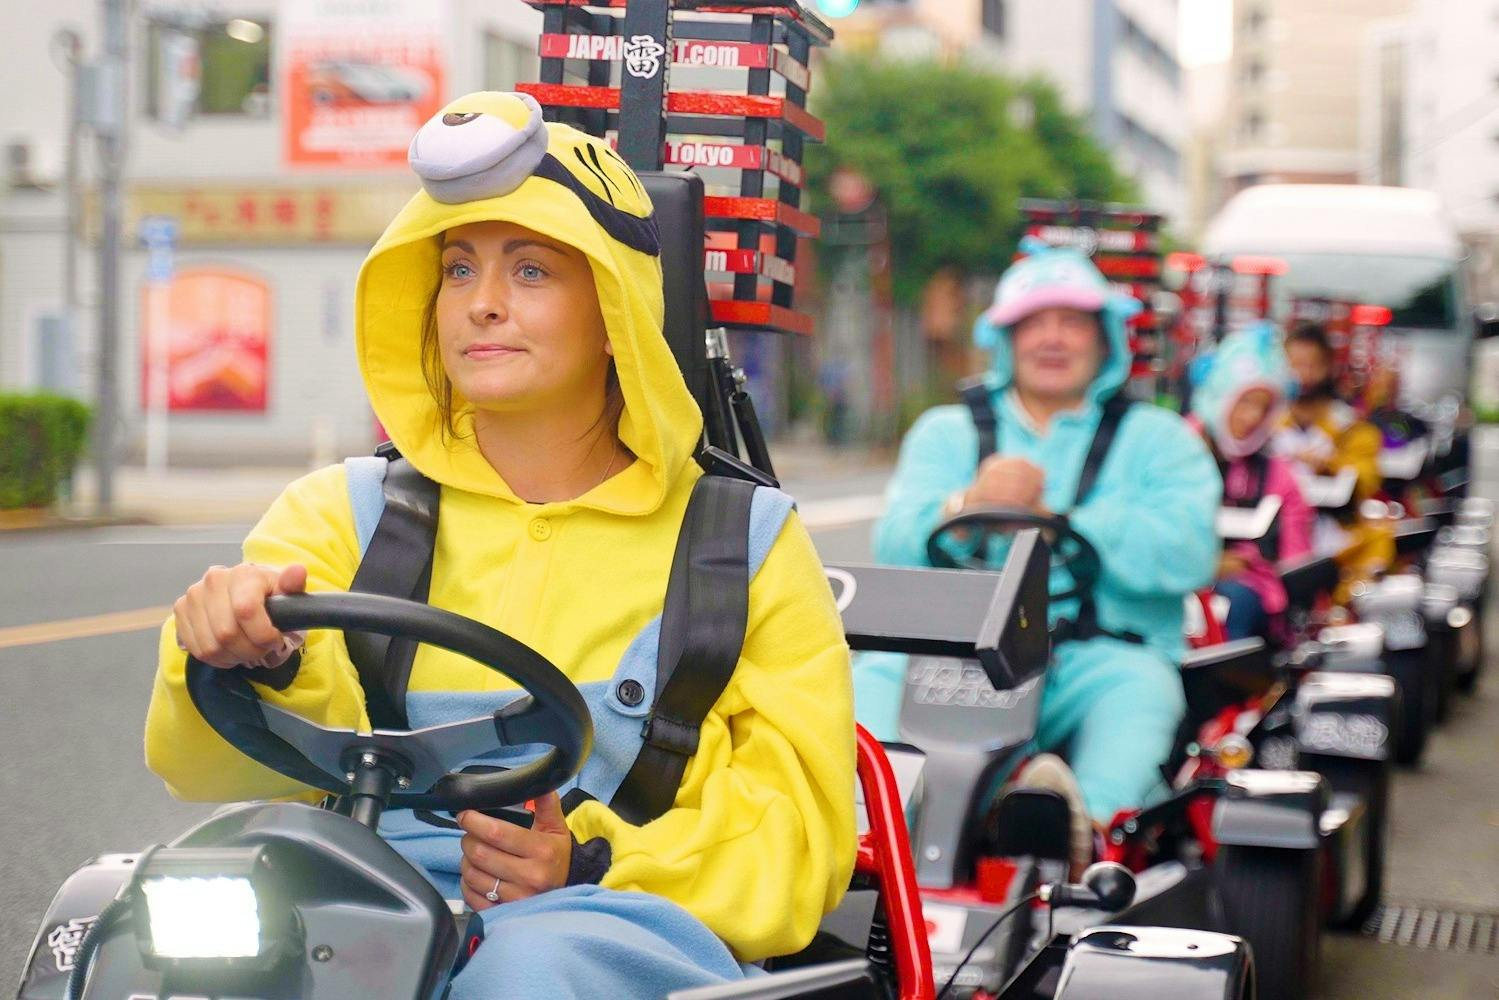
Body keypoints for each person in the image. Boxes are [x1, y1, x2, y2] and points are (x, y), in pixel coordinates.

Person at [144, 92, 855, 999]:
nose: (481, 305)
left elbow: (801, 844)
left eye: (530, 272)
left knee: (518, 973)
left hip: (617, 923)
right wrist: (247, 655)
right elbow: (196, 766)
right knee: (139, 935)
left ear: (616, 311)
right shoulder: (337, 512)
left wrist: (591, 861)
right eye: (456, 270)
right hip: (353, 904)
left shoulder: (743, 542)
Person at [854, 242, 1221, 866]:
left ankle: (1088, 833)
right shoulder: (948, 432)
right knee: (859, 691)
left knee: (1141, 696)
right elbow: (894, 543)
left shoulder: (1159, 439)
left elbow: (1190, 552)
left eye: (1073, 321)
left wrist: (1061, 524)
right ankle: (868, 842)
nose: (1053, 338)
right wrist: (966, 504)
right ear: (1006, 339)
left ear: (1106, 340)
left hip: (1097, 657)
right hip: (951, 660)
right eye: (1035, 322)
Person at [1187, 324, 1313, 640]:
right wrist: (1205, 566)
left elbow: (1296, 560)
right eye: (1244, 402)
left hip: (1245, 597)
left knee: (1235, 604)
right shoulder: (1176, 454)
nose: (1253, 417)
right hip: (1173, 587)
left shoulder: (1278, 473)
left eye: (1263, 406)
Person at [1274, 322, 1393, 578]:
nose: (1301, 374)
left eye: (1311, 365)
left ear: (1328, 367)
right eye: (1293, 364)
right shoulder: (1266, 424)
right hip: (1275, 532)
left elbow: (1367, 479)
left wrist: (1331, 464)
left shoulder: (1350, 426)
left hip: (1334, 537)